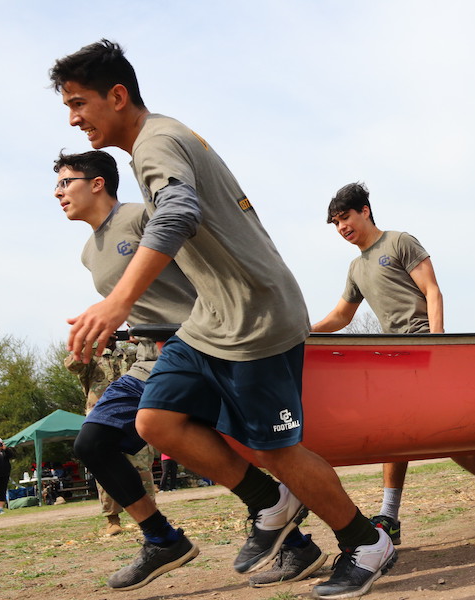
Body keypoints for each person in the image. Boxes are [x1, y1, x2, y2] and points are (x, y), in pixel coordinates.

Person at [51, 40, 395, 599]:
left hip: (257, 313)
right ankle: (271, 503)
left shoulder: (158, 141)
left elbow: (180, 213)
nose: (73, 118)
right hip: (210, 320)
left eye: (79, 102)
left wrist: (116, 304)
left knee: (273, 448)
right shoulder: (150, 147)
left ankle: (364, 541)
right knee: (154, 421)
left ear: (117, 96)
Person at [312, 182, 475, 540]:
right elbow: (341, 316)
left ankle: (396, 515)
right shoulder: (356, 267)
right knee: (403, 432)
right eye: (335, 223)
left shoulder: (399, 242)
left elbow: (432, 290)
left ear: (364, 211)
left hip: (423, 349)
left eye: (345, 217)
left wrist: (437, 343)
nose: (342, 227)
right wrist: (306, 331)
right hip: (393, 357)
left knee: (436, 433)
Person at [54, 149, 200, 584]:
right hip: (146, 359)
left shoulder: (143, 217)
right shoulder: (88, 252)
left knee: (235, 447)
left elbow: (202, 273)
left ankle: (286, 525)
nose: (57, 191)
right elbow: (137, 301)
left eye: (65, 182)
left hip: (197, 347)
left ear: (97, 183)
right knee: (91, 442)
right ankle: (162, 538)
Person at [64, 334, 158, 535]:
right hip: (101, 418)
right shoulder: (92, 358)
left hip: (133, 415)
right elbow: (72, 365)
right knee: (106, 471)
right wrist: (92, 343)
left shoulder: (130, 355)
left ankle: (151, 516)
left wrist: (143, 342)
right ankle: (112, 519)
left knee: (142, 467)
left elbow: (152, 365)